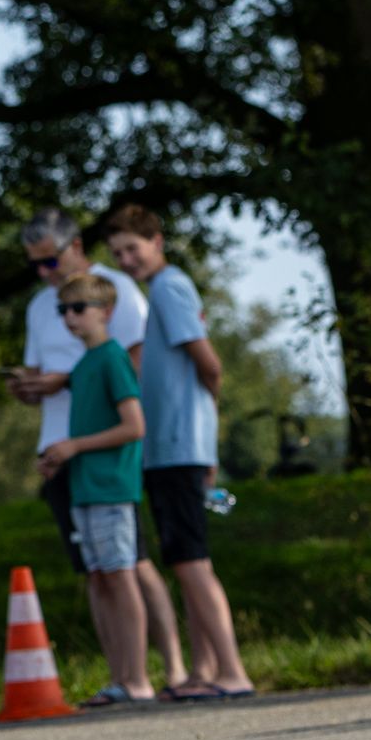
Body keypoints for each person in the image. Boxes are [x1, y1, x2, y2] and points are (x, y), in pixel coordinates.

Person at [4, 208, 186, 693]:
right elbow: (41, 366)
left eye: (52, 261)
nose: (46, 276)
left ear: (77, 247)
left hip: (104, 453)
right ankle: (122, 675)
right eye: (36, 266)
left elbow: (133, 365)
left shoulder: (113, 293)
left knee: (132, 564)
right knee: (96, 569)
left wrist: (76, 380)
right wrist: (32, 387)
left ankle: (168, 671)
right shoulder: (42, 307)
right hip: (62, 446)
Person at [103, 205, 254, 700]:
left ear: (156, 241)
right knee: (186, 558)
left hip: (178, 445)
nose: (127, 260)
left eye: (133, 248)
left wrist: (203, 428)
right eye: (118, 253)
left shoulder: (168, 288)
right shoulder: (162, 292)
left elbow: (208, 364)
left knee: (193, 561)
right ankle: (204, 671)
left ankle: (231, 671)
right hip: (168, 447)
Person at [34, 276, 153, 703]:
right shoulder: (83, 367)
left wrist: (75, 446)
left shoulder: (111, 359)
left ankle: (137, 678)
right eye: (63, 310)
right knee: (99, 579)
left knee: (121, 576)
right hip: (83, 486)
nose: (70, 317)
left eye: (79, 307)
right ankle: (119, 676)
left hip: (111, 486)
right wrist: (58, 455)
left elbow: (134, 426)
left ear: (106, 311)